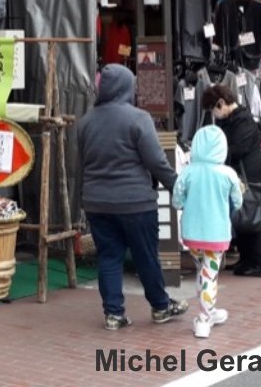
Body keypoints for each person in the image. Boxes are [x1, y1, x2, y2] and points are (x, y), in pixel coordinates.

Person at [78, 64, 188, 330]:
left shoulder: (85, 122)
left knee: (109, 257)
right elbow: (156, 161)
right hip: (135, 202)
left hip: (96, 201)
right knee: (146, 256)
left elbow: (79, 164)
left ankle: (113, 314)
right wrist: (177, 186)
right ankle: (161, 307)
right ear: (127, 87)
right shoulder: (138, 118)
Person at [173, 125, 242, 339]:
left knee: (201, 272)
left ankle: (209, 312)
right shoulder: (228, 174)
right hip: (216, 233)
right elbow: (238, 202)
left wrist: (188, 203)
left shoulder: (188, 171)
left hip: (192, 234)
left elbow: (176, 201)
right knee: (210, 274)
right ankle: (204, 318)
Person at [202, 83, 261, 277]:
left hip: (250, 177)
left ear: (222, 103)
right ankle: (246, 259)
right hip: (240, 176)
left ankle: (259, 264)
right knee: (240, 218)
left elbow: (237, 149)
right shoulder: (231, 120)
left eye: (214, 109)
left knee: (251, 219)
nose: (213, 115)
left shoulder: (243, 121)